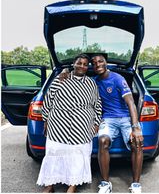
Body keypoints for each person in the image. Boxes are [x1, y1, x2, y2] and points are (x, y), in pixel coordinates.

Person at [37, 54, 102, 193]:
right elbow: (48, 100)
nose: (82, 66)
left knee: (78, 155)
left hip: (82, 126)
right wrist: (45, 120)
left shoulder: (91, 83)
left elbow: (97, 104)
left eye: (85, 64)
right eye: (79, 63)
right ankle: (49, 184)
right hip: (58, 124)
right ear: (73, 63)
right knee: (53, 153)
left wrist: (96, 122)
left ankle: (72, 185)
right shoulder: (60, 79)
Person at [92, 54, 143, 194]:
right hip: (108, 119)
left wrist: (135, 127)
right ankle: (105, 183)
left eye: (100, 61)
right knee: (102, 140)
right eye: (94, 63)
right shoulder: (93, 81)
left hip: (126, 118)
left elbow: (131, 103)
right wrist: (66, 73)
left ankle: (136, 185)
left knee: (137, 143)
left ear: (106, 62)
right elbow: (77, 82)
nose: (98, 64)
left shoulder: (118, 79)